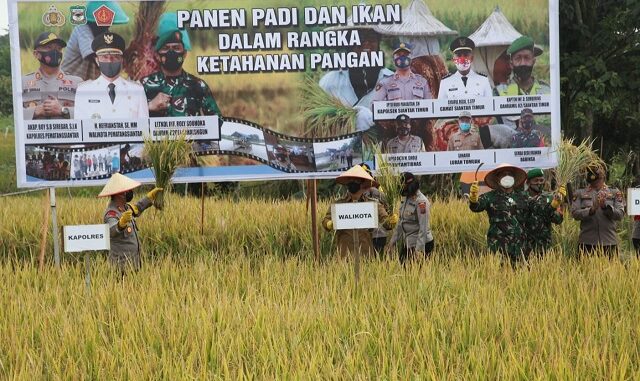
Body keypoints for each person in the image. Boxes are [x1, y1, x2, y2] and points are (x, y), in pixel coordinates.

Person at [141, 13, 222, 118]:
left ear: (184, 54)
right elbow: (131, 122)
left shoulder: (198, 85)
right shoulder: (144, 85)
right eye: (165, 48)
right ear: (157, 55)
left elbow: (217, 121)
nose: (171, 53)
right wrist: (149, 106)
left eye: (176, 48)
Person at [319, 28, 393, 131]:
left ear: (378, 43)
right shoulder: (329, 82)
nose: (366, 43)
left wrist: (373, 121)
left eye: (371, 39)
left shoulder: (392, 81)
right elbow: (318, 125)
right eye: (359, 38)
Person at [322, 165, 398, 258]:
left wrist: (391, 221)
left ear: (363, 183)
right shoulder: (338, 204)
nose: (353, 183)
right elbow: (325, 220)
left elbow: (385, 222)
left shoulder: (373, 204)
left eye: (356, 180)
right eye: (351, 180)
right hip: (344, 253)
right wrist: (329, 224)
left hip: (365, 253)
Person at [74, 32, 149, 119]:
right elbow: (81, 128)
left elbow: (144, 128)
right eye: (104, 57)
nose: (109, 61)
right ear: (97, 60)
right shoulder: (84, 91)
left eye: (114, 57)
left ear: (121, 60)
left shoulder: (137, 90)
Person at [98, 173, 162, 273]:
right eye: (127, 190)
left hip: (134, 265)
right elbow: (111, 230)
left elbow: (138, 207)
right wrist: (120, 224)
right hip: (121, 268)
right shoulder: (111, 213)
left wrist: (149, 198)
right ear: (119, 193)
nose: (130, 192)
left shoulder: (126, 207)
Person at [469, 163, 530, 266]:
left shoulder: (523, 197)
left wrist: (555, 204)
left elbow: (536, 210)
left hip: (519, 247)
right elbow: (476, 207)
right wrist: (473, 199)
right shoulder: (489, 197)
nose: (507, 176)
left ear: (514, 178)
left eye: (509, 174)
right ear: (497, 179)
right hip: (498, 247)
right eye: (503, 174)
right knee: (499, 277)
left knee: (520, 278)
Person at [61, 1, 129, 80]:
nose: (106, 28)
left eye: (108, 25)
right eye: (103, 25)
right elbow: (93, 55)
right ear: (93, 21)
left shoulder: (105, 34)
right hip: (68, 83)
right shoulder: (82, 29)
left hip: (87, 85)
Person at [22, 32, 83, 120]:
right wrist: (34, 111)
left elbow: (87, 114)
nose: (55, 52)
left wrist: (63, 110)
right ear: (36, 54)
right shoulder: (23, 83)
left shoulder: (77, 82)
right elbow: (14, 115)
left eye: (59, 48)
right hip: (35, 133)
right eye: (48, 47)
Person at [570, 165, 625, 257]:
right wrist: (591, 210)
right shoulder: (580, 192)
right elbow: (575, 214)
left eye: (597, 170)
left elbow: (620, 215)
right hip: (587, 242)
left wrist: (605, 207)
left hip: (609, 242)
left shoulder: (614, 192)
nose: (593, 172)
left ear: (603, 174)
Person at [390, 172, 434, 264]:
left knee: (416, 275)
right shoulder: (406, 198)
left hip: (421, 244)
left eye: (403, 186)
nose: (401, 189)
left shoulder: (421, 202)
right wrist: (392, 242)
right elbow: (401, 223)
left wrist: (419, 250)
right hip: (408, 243)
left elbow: (423, 228)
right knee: (403, 269)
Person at [524, 168, 566, 254]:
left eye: (541, 180)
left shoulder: (549, 197)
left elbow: (558, 220)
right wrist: (550, 207)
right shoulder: (522, 198)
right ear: (528, 183)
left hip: (544, 244)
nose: (539, 183)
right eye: (536, 181)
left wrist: (558, 204)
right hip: (525, 244)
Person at [359, 163, 390, 256]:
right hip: (364, 234)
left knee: (374, 261)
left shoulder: (375, 191)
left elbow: (387, 208)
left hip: (377, 234)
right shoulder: (356, 191)